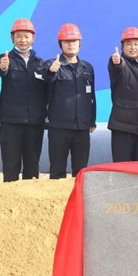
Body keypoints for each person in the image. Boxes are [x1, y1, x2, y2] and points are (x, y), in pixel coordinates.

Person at [0, 18, 47, 182]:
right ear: (12, 38)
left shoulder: (40, 63)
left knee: (32, 166)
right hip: (11, 123)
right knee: (10, 165)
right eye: (19, 36)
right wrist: (3, 66)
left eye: (26, 36)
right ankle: (9, 196)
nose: (23, 40)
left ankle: (30, 197)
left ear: (33, 38)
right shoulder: (5, 58)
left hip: (34, 123)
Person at [42, 23, 96, 179]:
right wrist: (51, 71)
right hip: (59, 128)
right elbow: (46, 78)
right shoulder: (52, 64)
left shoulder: (87, 67)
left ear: (79, 44)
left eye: (74, 41)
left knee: (81, 172)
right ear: (60, 44)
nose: (71, 44)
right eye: (66, 41)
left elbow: (91, 96)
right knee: (57, 171)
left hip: (82, 128)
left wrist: (91, 121)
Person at [108, 27, 138, 162]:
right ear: (122, 47)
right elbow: (117, 67)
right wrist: (116, 62)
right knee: (122, 168)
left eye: (136, 44)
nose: (133, 47)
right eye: (129, 44)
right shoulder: (121, 64)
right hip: (123, 127)